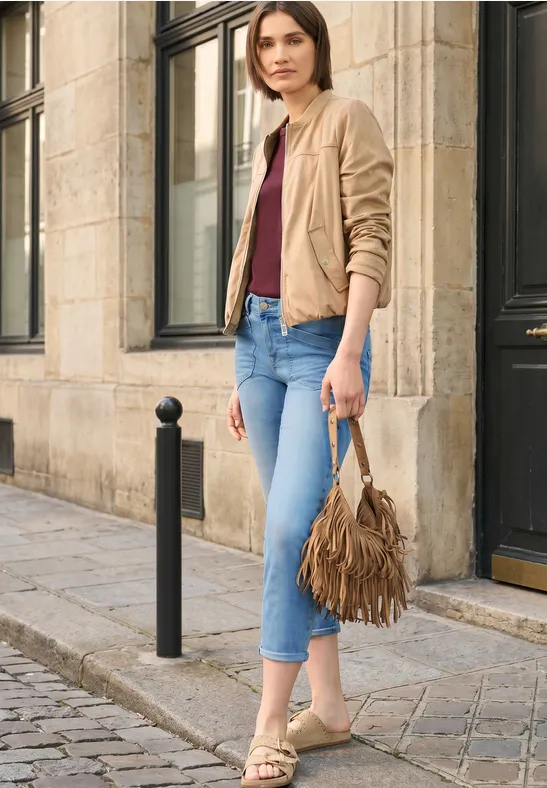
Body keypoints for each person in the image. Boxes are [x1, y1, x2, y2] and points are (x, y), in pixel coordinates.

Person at [224, 2, 393, 785]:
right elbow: (263, 257)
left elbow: (370, 239)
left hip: (319, 349)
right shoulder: (271, 140)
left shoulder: (345, 118)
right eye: (265, 43)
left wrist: (350, 353)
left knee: (288, 528)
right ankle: (327, 707)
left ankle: (269, 723)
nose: (279, 53)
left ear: (316, 46)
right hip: (256, 349)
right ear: (254, 59)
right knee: (305, 536)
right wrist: (236, 373)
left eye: (293, 39)